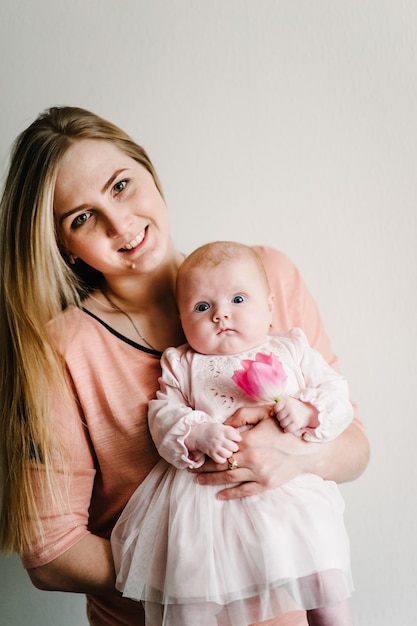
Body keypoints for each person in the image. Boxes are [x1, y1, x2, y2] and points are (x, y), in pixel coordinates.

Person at [0, 106, 369, 626]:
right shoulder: (59, 351)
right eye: (82, 218)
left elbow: (354, 446)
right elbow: (50, 554)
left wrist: (295, 455)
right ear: (64, 245)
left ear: (149, 171)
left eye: (122, 185)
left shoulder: (266, 276)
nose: (120, 223)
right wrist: (196, 570)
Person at [111, 241, 355, 626]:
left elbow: (336, 393)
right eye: (202, 307)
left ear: (270, 306)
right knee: (190, 591)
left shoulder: (291, 349)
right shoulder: (182, 364)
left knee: (324, 579)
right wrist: (199, 433)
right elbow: (163, 416)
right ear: (181, 318)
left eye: (238, 299)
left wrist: (307, 410)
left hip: (287, 497)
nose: (222, 315)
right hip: (208, 503)